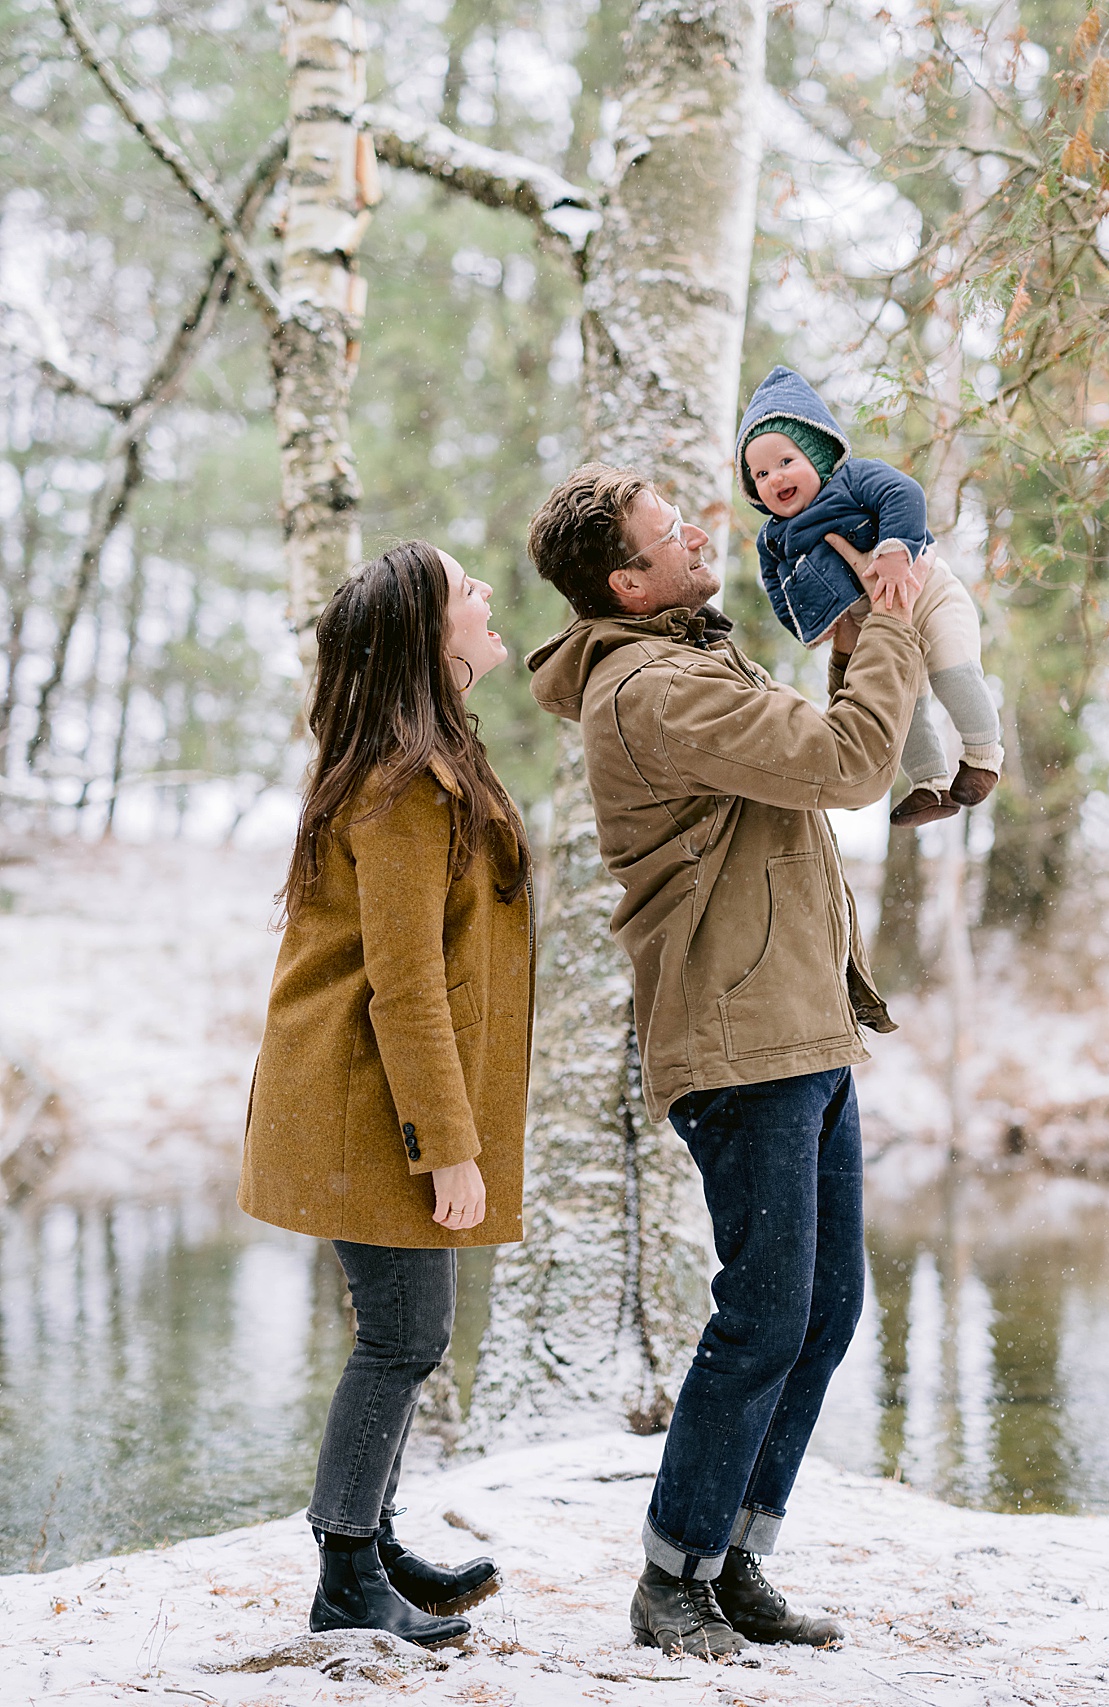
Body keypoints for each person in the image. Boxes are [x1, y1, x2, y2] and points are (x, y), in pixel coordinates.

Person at [525, 464, 925, 1659]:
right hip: (741, 1038)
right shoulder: (650, 689)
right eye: (667, 531)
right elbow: (849, 764)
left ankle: (735, 1557)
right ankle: (669, 1581)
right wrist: (887, 630)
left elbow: (811, 761)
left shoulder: (691, 659)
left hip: (797, 1023)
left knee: (825, 1308)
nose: (699, 530)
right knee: (761, 1316)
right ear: (625, 581)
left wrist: (853, 632)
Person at [238, 541, 534, 1650]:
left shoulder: (428, 762)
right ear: (426, 635)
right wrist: (445, 1148)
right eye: (468, 591)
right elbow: (405, 987)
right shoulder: (404, 785)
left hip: (378, 1096)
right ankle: (347, 1575)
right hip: (372, 1101)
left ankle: (370, 1538)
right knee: (403, 1337)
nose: (487, 595)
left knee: (407, 1331)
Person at [738, 364, 1004, 828]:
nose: (774, 478)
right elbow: (777, 588)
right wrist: (809, 627)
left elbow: (904, 494)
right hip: (875, 626)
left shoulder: (853, 479)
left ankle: (983, 756)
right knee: (904, 706)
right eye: (760, 473)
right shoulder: (774, 539)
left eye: (786, 461)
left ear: (818, 454)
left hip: (927, 593)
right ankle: (930, 785)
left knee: (953, 672)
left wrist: (896, 550)